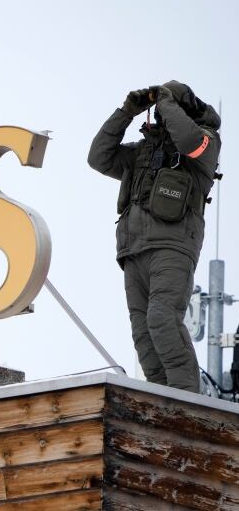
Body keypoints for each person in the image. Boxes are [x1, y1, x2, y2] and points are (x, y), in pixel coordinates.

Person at [87, 80, 221, 393]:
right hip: (133, 250)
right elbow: (98, 157)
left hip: (172, 247)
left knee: (163, 320)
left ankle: (188, 402)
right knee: (144, 335)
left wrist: (168, 101)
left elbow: (189, 141)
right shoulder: (144, 151)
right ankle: (161, 401)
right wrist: (127, 112)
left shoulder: (205, 143)